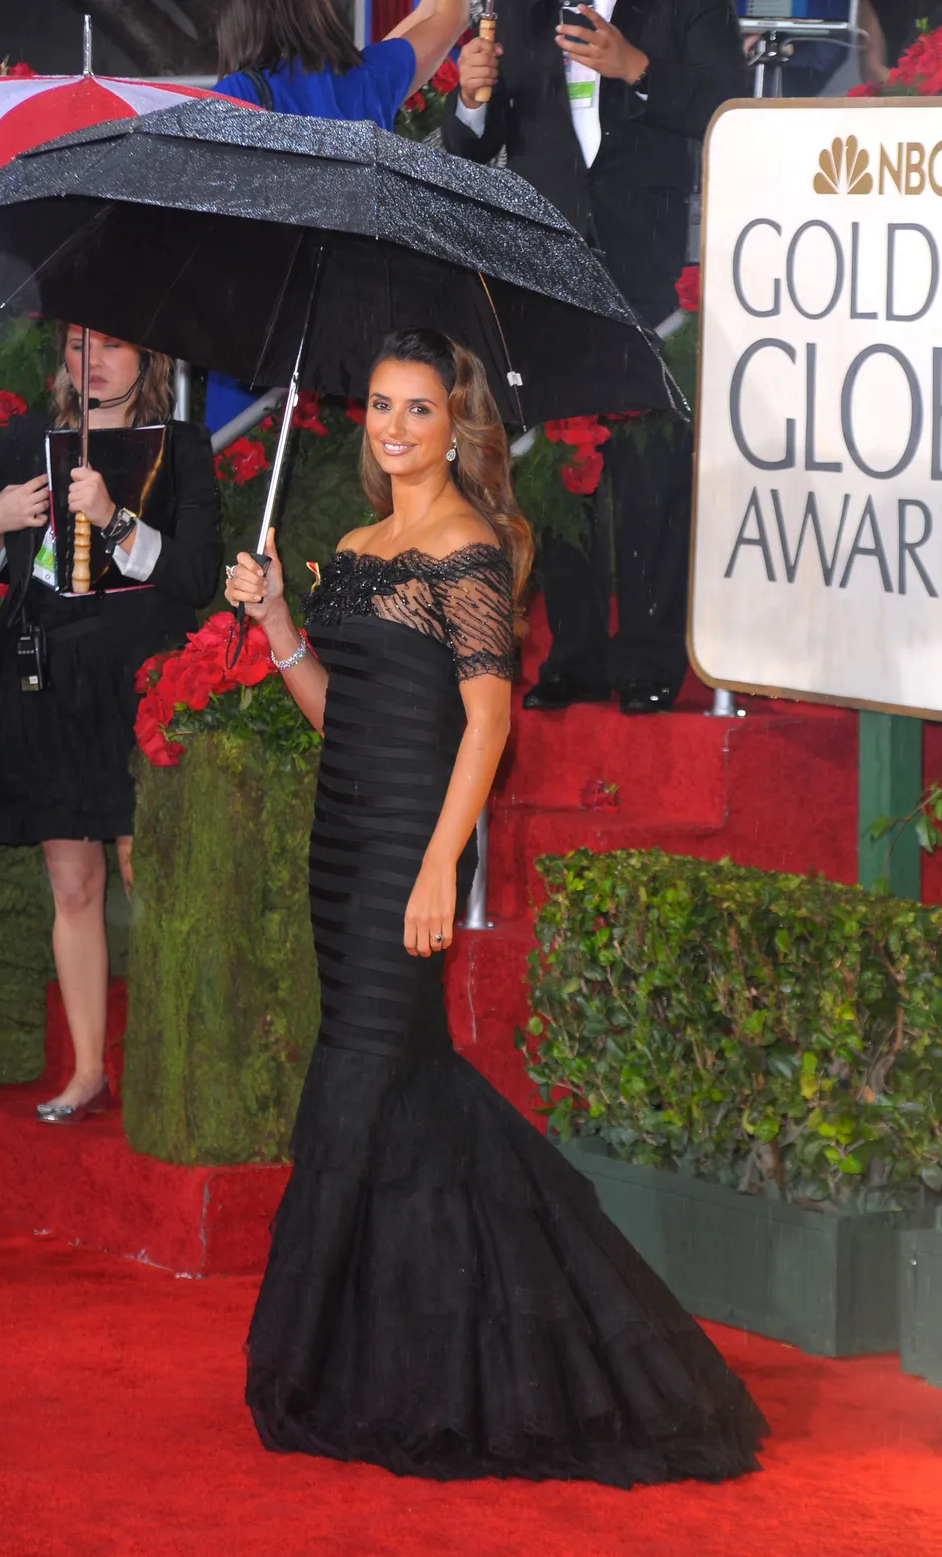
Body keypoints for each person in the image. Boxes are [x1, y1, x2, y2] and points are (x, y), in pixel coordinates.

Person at [225, 327, 768, 1482]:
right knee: (396, 1093)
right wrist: (278, 627)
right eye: (378, 405)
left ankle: (450, 1359)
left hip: (411, 852)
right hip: (343, 847)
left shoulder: (470, 551)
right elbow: (342, 714)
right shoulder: (357, 544)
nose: (392, 427)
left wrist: (438, 867)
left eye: (417, 409)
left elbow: (487, 724)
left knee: (372, 1085)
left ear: (456, 423)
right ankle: (394, 1353)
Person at [442, 0, 746, 713]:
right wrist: (472, 98)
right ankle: (573, 659)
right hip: (550, 268)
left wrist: (635, 67)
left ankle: (649, 660)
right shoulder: (520, 11)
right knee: (558, 471)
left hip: (652, 264)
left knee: (651, 470)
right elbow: (470, 151)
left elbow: (731, 110)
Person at [0, 326, 222, 1123]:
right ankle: (85, 1071)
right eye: (79, 345)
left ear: (149, 359)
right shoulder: (24, 444)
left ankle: (174, 1060)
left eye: (112, 344)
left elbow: (197, 577)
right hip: (49, 683)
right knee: (71, 884)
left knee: (151, 871)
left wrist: (113, 517)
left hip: (143, 684)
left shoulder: (179, 449)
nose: (94, 361)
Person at [206, 0, 470, 433]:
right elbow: (451, 14)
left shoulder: (236, 98)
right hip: (354, 343)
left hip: (261, 344)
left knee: (245, 484)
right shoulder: (368, 80)